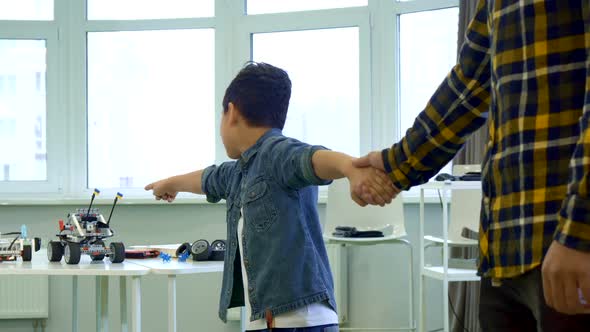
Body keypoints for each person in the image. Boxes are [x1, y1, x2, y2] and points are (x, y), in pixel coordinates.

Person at [353, 1, 590, 331]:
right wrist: (396, 163)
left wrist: (580, 229)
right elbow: (470, 82)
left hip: (568, 247)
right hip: (505, 251)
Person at [145, 62, 395, 332]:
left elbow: (312, 157)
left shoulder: (277, 152)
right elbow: (209, 178)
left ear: (231, 112)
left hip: (296, 321)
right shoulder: (242, 170)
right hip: (273, 319)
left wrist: (349, 167)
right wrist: (169, 183)